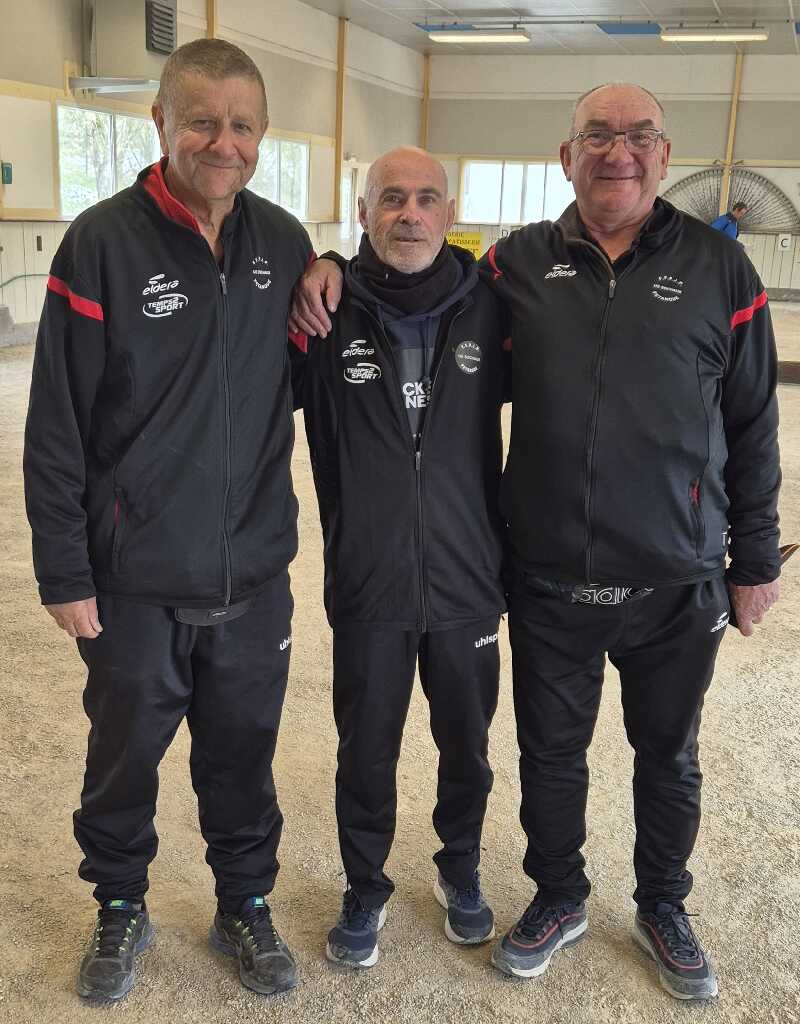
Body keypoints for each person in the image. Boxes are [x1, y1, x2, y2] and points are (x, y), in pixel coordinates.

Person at [290, 84, 781, 1002]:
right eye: (598, 135)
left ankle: (664, 906)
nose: (618, 152)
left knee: (668, 756)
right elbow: (411, 279)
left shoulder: (722, 270)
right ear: (568, 156)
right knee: (550, 756)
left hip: (676, 575)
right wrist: (326, 261)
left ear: (664, 154)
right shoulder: (513, 268)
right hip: (549, 575)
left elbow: (753, 422)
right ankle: (558, 894)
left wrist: (754, 561)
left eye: (638, 136)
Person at [24, 39, 312, 1001]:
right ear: (160, 123)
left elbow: (310, 368)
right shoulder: (101, 243)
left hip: (252, 577)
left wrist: (335, 268)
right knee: (123, 761)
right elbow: (57, 423)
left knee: (244, 760)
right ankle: (119, 902)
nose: (223, 143)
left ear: (263, 134)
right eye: (201, 122)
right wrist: (65, 570)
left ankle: (245, 902)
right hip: (135, 579)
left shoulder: (282, 243)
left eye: (242, 125)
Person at [294, 147, 508, 968]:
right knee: (366, 751)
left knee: (468, 748)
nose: (409, 214)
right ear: (362, 214)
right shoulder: (323, 313)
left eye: (425, 199)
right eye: (390, 198)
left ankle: (460, 869)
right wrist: (319, 263)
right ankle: (365, 887)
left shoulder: (493, 308)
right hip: (368, 583)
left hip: (467, 582)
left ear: (449, 214)